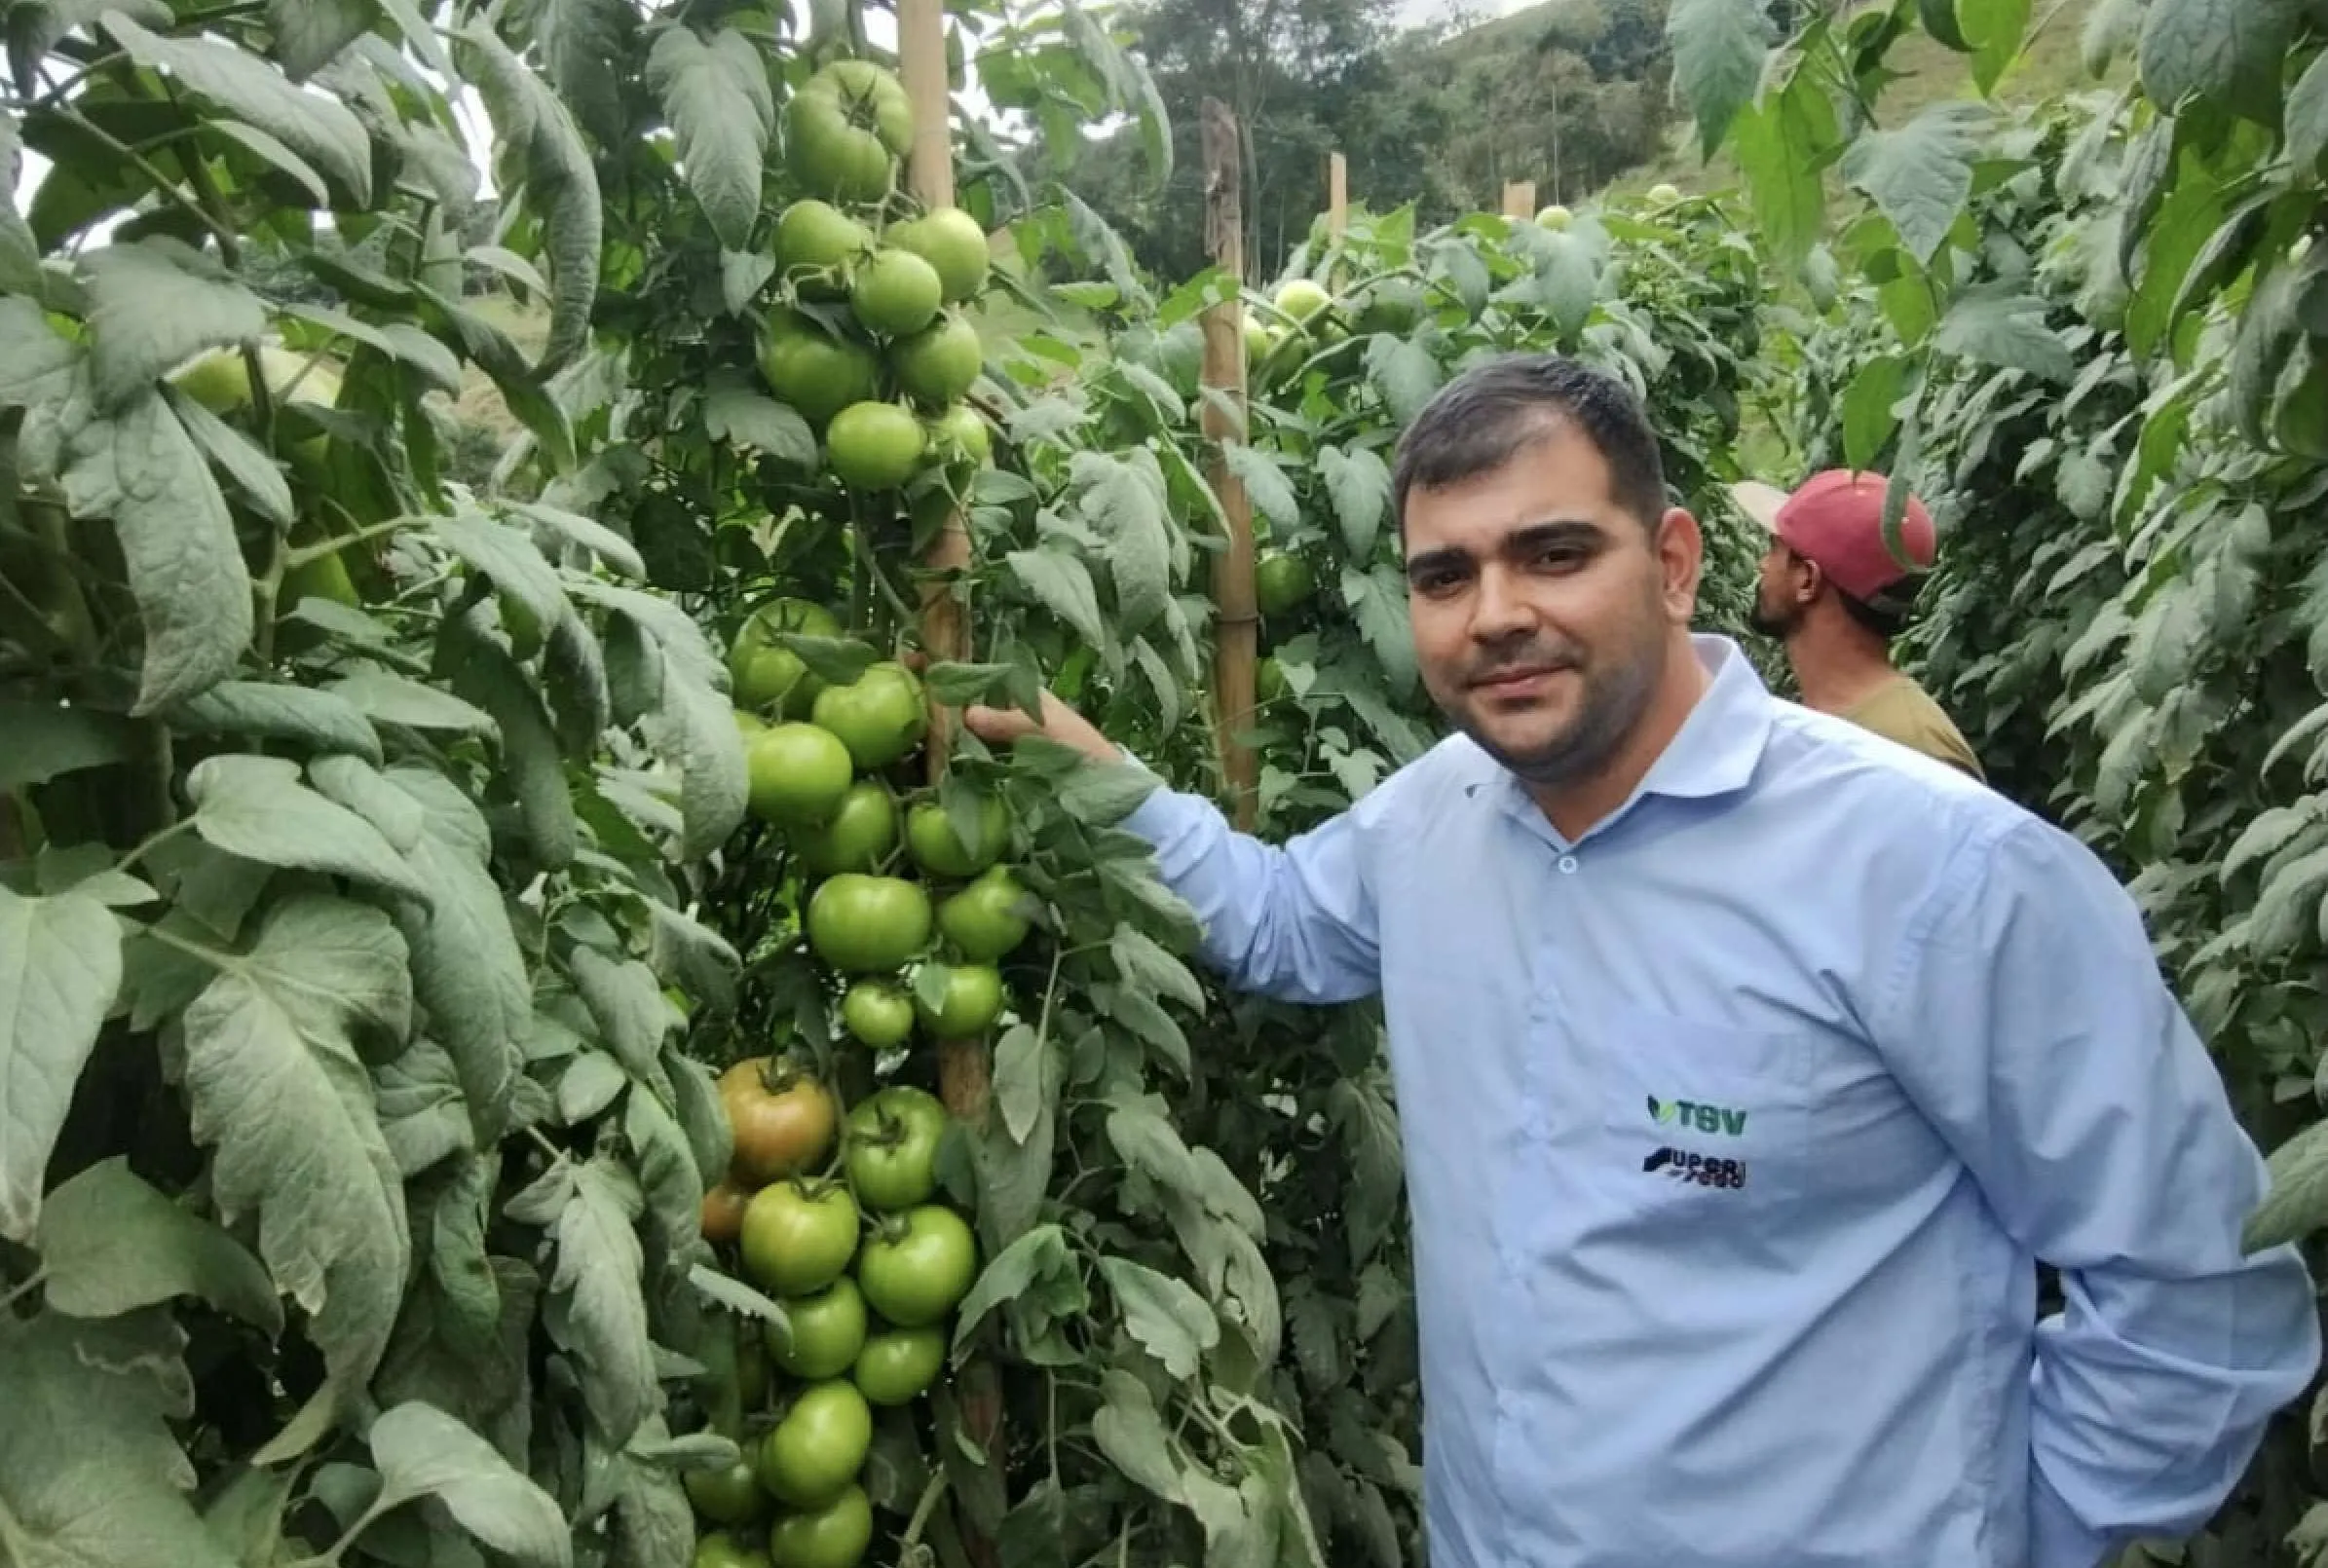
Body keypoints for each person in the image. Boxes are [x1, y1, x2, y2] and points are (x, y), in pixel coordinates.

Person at [962, 353, 2319, 1568]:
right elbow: (1276, 922)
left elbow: (2198, 1292)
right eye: (1445, 574)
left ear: (1673, 563)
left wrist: (2012, 1533)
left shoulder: (1935, 871)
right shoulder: (1436, 815)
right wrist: (1088, 768)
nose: (1492, 613)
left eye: (1552, 553)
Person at [1732, 468, 1985, 780]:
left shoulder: (1914, 751)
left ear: (1807, 580)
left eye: (1774, 549)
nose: (1763, 564)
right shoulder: (1826, 721)